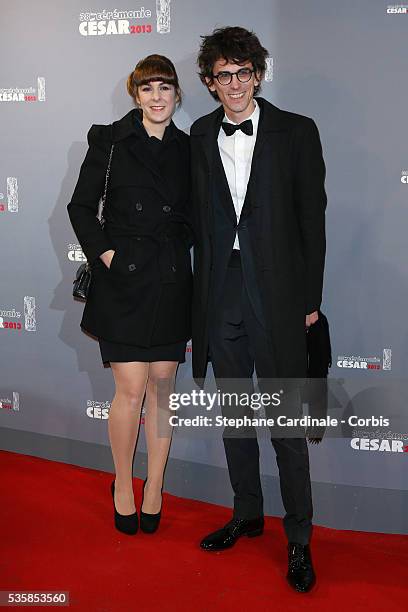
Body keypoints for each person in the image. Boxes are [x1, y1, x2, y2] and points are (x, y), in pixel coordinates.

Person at [190, 27, 327, 592]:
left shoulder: (297, 131)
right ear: (209, 83)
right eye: (224, 75)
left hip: (278, 298)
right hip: (221, 294)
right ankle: (247, 513)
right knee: (236, 417)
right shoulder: (199, 134)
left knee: (287, 426)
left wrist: (310, 302)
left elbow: (311, 222)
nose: (235, 84)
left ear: (259, 74)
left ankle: (299, 539)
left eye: (244, 72)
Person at [68, 55, 192, 536]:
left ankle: (155, 483)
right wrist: (107, 256)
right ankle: (123, 483)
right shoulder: (110, 140)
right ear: (135, 95)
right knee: (130, 390)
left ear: (177, 95)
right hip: (124, 284)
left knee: (162, 390)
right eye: (148, 88)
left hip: (171, 280)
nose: (157, 96)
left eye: (165, 87)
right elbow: (81, 207)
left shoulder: (190, 147)